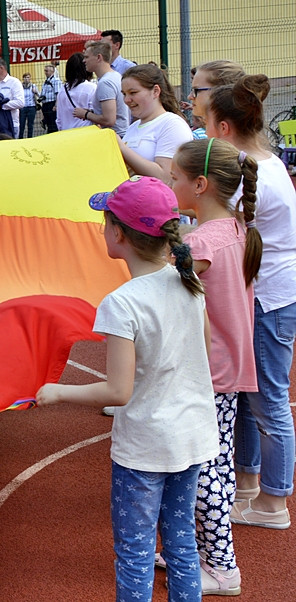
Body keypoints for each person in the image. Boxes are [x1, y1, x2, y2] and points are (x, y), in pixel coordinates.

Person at [36, 176, 217, 602]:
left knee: (135, 552)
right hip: (192, 437)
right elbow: (204, 352)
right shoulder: (188, 283)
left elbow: (118, 391)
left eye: (104, 222)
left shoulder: (122, 302)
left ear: (118, 233)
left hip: (146, 448)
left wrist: (59, 393)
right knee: (182, 546)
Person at [201, 75, 296, 531]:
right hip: (269, 291)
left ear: (222, 129)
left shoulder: (247, 176)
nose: (199, 132)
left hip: (270, 297)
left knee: (269, 401)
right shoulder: (263, 162)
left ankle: (274, 504)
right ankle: (250, 485)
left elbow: (222, 231)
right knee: (252, 395)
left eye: (202, 124)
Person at [168, 137, 261, 595]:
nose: (170, 182)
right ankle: (194, 549)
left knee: (208, 469)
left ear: (200, 185)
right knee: (211, 463)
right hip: (225, 366)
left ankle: (222, 567)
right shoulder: (236, 228)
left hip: (212, 370)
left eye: (176, 178)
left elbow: (168, 277)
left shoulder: (203, 242)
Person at [116, 64, 192, 183]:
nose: (126, 100)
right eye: (124, 94)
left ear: (156, 91)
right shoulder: (133, 127)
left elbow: (166, 178)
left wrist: (121, 147)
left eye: (133, 92)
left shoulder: (172, 124)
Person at [74, 40, 129, 136]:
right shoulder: (115, 76)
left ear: (99, 57)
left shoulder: (105, 83)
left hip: (115, 137)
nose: (84, 61)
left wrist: (86, 115)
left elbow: (109, 120)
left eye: (87, 57)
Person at [56, 52, 97, 131]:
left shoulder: (62, 91)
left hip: (66, 133)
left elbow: (59, 119)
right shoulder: (92, 88)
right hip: (86, 132)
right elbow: (96, 113)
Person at [40, 64, 62, 134]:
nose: (45, 72)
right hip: (45, 104)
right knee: (48, 123)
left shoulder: (56, 81)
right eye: (45, 71)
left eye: (47, 71)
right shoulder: (46, 81)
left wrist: (56, 105)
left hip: (51, 104)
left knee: (53, 123)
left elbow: (58, 94)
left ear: (52, 71)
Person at [19, 72, 40, 138]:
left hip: (31, 107)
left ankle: (30, 137)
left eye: (28, 77)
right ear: (23, 79)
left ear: (30, 78)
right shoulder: (20, 87)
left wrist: (36, 92)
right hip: (23, 107)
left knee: (30, 124)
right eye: (25, 77)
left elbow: (39, 95)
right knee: (22, 124)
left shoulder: (33, 86)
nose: (26, 79)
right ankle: (20, 137)